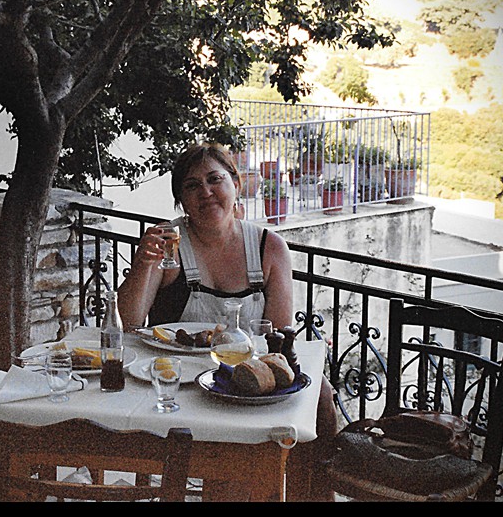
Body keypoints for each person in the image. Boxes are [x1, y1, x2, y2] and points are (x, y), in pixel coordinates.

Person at [117, 142, 339, 501]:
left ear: (236, 184)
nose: (205, 192)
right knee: (229, 463)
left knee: (321, 397)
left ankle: (310, 493)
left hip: (243, 378)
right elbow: (129, 320)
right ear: (181, 201)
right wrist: (143, 263)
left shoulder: (269, 247)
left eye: (214, 179)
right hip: (181, 381)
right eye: (191, 186)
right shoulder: (168, 245)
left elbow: (278, 335)